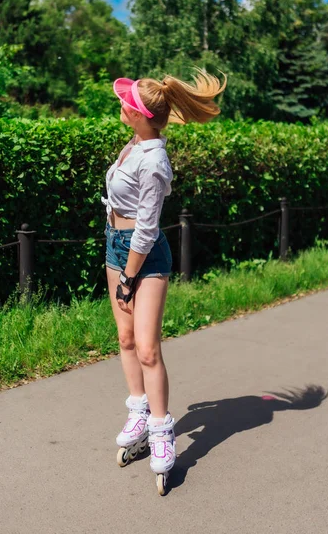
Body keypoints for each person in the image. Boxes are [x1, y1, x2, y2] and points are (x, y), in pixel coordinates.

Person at [102, 69, 226, 494]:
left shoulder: (154, 161)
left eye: (127, 103)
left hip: (143, 255)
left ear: (140, 115)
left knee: (148, 348)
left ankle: (160, 431)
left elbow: (148, 229)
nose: (121, 105)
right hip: (116, 246)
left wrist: (129, 276)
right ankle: (138, 410)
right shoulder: (135, 142)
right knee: (125, 339)